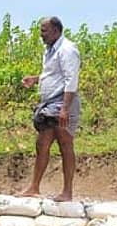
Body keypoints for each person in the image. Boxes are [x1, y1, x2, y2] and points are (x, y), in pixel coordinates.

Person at [19, 16, 80, 202]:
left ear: (55, 31)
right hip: (49, 103)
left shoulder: (67, 50)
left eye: (44, 31)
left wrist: (64, 108)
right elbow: (53, 74)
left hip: (62, 102)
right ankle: (34, 187)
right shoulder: (49, 50)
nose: (41, 35)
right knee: (42, 143)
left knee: (65, 143)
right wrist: (36, 79)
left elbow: (71, 79)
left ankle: (67, 191)